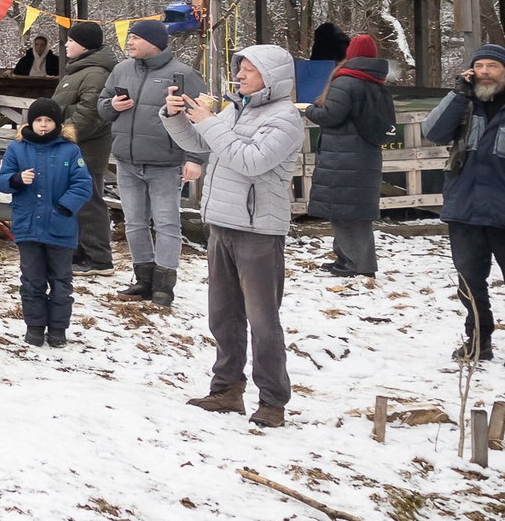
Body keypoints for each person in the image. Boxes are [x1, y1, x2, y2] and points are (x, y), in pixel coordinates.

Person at [166, 45, 305, 426]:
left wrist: (209, 122)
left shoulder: (285, 118)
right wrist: (177, 117)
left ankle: (273, 401)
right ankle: (226, 389)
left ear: (272, 77)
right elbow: (201, 144)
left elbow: (251, 161)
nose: (240, 76)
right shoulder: (235, 109)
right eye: (239, 69)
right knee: (223, 316)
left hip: (259, 230)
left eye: (249, 70)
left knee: (262, 321)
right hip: (223, 223)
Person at [101, 21, 207, 310]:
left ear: (154, 42)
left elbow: (203, 118)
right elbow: (102, 105)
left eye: (136, 38)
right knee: (134, 223)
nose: (130, 42)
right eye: (130, 37)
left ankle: (164, 286)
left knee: (166, 223)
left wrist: (196, 158)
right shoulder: (121, 70)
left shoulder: (183, 74)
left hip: (165, 163)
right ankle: (143, 279)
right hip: (127, 160)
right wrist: (112, 106)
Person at [424, 43, 505, 362]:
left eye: (493, 66)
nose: (485, 72)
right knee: (469, 284)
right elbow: (432, 132)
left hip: (502, 211)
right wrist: (458, 94)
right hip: (465, 210)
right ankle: (478, 340)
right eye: (480, 66)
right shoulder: (464, 104)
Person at [0, 97, 92, 347]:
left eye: (49, 120)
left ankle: (58, 329)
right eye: (39, 120)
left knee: (61, 281)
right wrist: (17, 179)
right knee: (32, 280)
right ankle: (35, 326)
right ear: (31, 122)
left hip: (61, 227)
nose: (43, 125)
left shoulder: (69, 150)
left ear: (57, 124)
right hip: (27, 226)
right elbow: (2, 180)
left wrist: (63, 207)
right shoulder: (17, 149)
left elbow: (83, 185)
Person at [307, 33, 392, 279]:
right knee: (352, 213)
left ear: (350, 55)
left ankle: (358, 264)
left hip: (343, 159)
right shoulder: (376, 82)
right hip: (363, 157)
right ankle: (346, 258)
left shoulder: (346, 81)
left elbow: (330, 115)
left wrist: (309, 109)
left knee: (346, 215)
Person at [50, 24, 119, 272]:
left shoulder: (96, 74)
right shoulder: (79, 71)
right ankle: (80, 252)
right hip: (71, 148)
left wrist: (59, 135)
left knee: (89, 203)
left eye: (70, 40)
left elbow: (90, 115)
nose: (66, 44)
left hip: (85, 150)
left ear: (85, 44)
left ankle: (99, 259)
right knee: (76, 202)